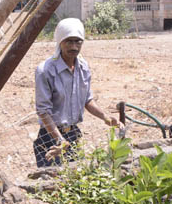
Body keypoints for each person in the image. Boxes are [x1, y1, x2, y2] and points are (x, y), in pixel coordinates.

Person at [33, 17, 122, 167]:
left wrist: (106, 118)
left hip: (72, 135)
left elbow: (87, 99)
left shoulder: (82, 67)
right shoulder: (45, 70)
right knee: (52, 184)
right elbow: (43, 111)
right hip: (51, 137)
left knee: (75, 181)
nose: (74, 46)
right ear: (60, 42)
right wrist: (59, 140)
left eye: (78, 41)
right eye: (69, 41)